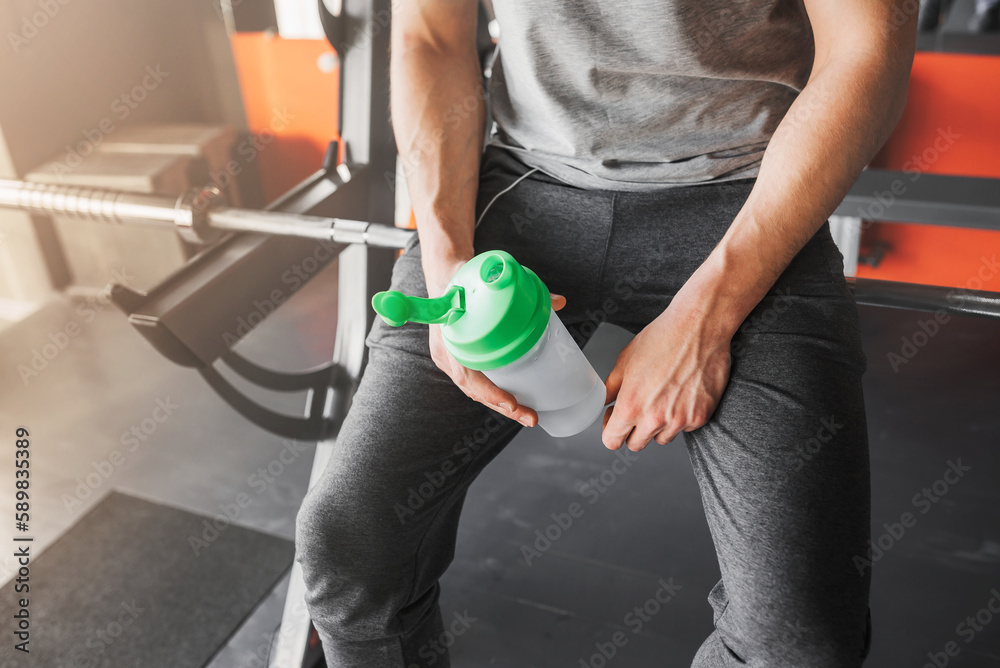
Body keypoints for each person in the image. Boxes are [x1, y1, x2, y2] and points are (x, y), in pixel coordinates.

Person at [295, 1, 917, 665]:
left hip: (748, 197)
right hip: (523, 190)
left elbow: (867, 52)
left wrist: (708, 316)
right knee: (349, 545)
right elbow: (430, 33)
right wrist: (450, 265)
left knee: (801, 642)